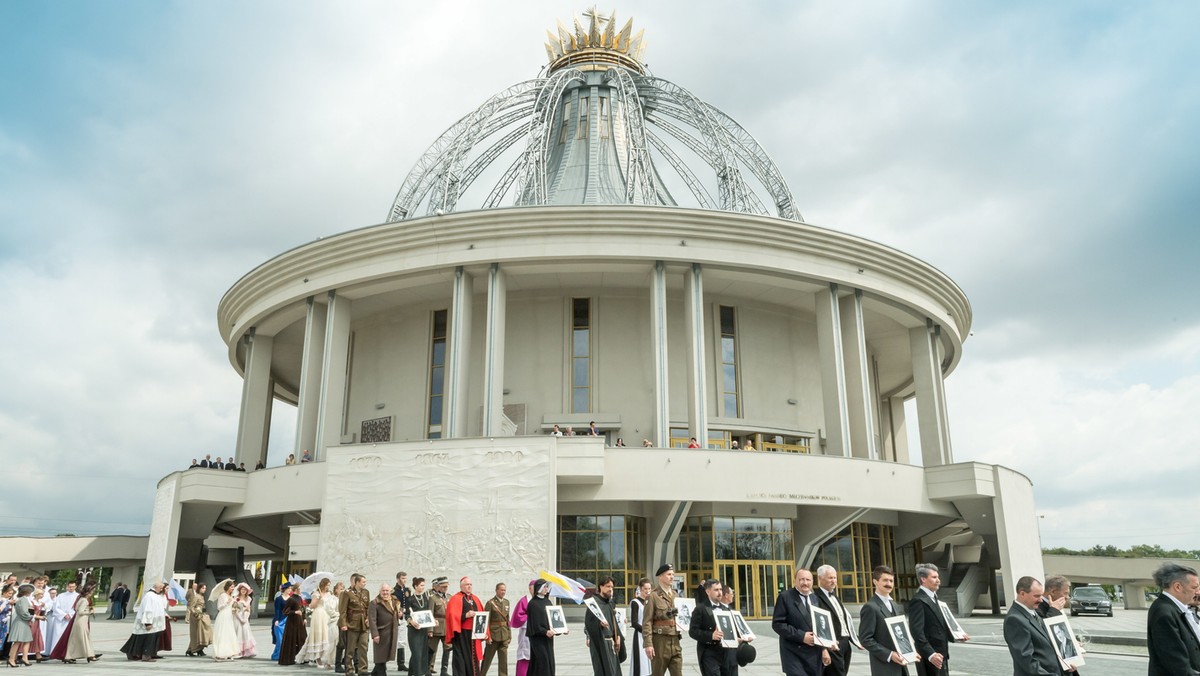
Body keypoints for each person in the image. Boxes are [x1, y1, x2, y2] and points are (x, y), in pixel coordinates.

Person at [1003, 576, 1074, 676]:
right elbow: (1026, 661)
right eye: (1036, 596)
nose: (1041, 600)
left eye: (1041, 595)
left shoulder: (1032, 613)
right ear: (1022, 593)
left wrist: (1067, 663)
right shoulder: (1015, 619)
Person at [908, 563, 966, 676]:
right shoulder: (918, 601)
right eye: (934, 577)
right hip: (930, 658)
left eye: (938, 577)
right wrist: (931, 654)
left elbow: (940, 625)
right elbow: (917, 632)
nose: (938, 580)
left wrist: (956, 636)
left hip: (940, 655)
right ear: (923, 579)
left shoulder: (934, 598)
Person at [773, 568, 831, 676]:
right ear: (795, 580)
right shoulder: (785, 597)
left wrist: (824, 649)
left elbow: (820, 626)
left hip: (814, 655)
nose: (805, 583)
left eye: (808, 580)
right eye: (801, 579)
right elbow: (777, 624)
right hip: (793, 654)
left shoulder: (815, 599)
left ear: (812, 582)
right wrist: (802, 636)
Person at [858, 566, 914, 676]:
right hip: (883, 667)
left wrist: (910, 651)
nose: (889, 583)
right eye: (885, 580)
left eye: (891, 581)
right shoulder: (870, 607)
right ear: (875, 582)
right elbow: (865, 639)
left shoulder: (896, 605)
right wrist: (889, 655)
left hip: (901, 666)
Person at [1147, 562, 1200, 676]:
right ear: (1177, 587)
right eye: (1194, 587)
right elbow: (1177, 664)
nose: (1198, 592)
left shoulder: (1176, 608)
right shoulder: (1164, 613)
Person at [813, 565, 855, 676]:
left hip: (845, 643)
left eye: (835, 578)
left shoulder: (834, 595)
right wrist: (823, 649)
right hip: (832, 644)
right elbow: (816, 625)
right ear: (820, 578)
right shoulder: (815, 598)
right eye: (830, 578)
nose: (834, 581)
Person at [641, 563, 682, 676]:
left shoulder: (675, 595)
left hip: (675, 640)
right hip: (660, 642)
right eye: (669, 574)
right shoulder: (653, 596)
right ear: (660, 576)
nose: (672, 577)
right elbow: (647, 622)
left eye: (673, 574)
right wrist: (648, 644)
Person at [445, 576, 487, 676]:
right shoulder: (455, 598)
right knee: (461, 660)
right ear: (461, 586)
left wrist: (484, 633)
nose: (469, 586)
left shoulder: (475, 598)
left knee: (474, 658)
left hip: (474, 634)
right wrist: (465, 615)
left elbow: (483, 616)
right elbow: (452, 616)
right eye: (467, 584)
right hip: (461, 634)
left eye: (470, 584)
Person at [51, 582, 99, 663]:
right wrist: (90, 612)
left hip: (77, 621)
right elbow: (80, 612)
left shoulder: (79, 598)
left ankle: (86, 655)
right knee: (82, 638)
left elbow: (76, 608)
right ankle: (88, 655)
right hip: (81, 621)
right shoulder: (84, 600)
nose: (93, 592)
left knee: (75, 639)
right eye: (92, 591)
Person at [121, 581, 168, 662]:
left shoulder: (156, 595)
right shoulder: (149, 596)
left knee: (141, 638)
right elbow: (148, 609)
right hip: (149, 622)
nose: (161, 590)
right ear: (156, 587)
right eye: (160, 588)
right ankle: (146, 656)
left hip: (155, 622)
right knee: (147, 639)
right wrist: (148, 623)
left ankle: (134, 653)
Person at [586, 577, 622, 676]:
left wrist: (618, 636)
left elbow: (613, 621)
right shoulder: (594, 602)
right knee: (603, 671)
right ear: (601, 587)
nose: (610, 589)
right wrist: (599, 623)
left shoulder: (610, 603)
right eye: (608, 586)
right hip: (600, 642)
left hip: (611, 642)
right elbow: (588, 622)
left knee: (614, 671)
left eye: (612, 587)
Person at [688, 579, 724, 676]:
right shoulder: (700, 608)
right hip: (708, 651)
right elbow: (692, 631)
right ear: (708, 592)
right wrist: (711, 635)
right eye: (716, 590)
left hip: (725, 652)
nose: (720, 592)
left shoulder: (726, 608)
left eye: (720, 589)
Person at [525, 580, 559, 676]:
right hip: (538, 638)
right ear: (538, 588)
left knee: (549, 661)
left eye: (547, 587)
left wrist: (560, 629)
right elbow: (534, 623)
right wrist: (544, 631)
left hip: (547, 638)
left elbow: (553, 619)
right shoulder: (533, 604)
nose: (546, 589)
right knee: (542, 662)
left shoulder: (547, 601)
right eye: (544, 587)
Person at [342, 573, 373, 675]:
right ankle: (349, 670)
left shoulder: (366, 592)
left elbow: (368, 607)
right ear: (357, 582)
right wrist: (343, 623)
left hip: (364, 624)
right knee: (350, 649)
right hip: (352, 623)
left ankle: (362, 670)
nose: (365, 583)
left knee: (363, 647)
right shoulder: (347, 593)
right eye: (363, 582)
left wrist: (368, 618)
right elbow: (343, 610)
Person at [301, 577, 336, 667]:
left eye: (329, 585)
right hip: (318, 614)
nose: (328, 587)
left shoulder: (329, 593)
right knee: (318, 635)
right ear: (323, 585)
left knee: (326, 635)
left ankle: (325, 657)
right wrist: (318, 599)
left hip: (326, 614)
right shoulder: (316, 593)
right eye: (327, 585)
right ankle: (317, 658)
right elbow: (312, 606)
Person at [370, 584, 402, 676]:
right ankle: (381, 673)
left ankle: (375, 673)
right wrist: (375, 634)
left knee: (385, 656)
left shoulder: (394, 600)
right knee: (380, 656)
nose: (385, 593)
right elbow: (372, 620)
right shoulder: (375, 603)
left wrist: (400, 614)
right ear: (380, 592)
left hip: (392, 632)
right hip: (381, 633)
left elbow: (399, 611)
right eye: (383, 591)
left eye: (387, 591)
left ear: (390, 591)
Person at [481, 582, 511, 676]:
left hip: (504, 635)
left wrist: (509, 635)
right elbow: (486, 621)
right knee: (487, 660)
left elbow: (507, 620)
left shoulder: (506, 602)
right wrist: (487, 636)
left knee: (503, 661)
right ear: (497, 590)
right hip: (493, 636)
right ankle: (481, 674)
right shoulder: (490, 603)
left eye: (504, 590)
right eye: (501, 590)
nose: (503, 592)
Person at [406, 577, 433, 676]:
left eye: (423, 585)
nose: (423, 587)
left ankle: (413, 673)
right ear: (416, 586)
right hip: (413, 630)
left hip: (423, 629)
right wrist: (411, 621)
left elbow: (428, 613)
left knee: (422, 652)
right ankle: (417, 673)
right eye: (421, 585)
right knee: (416, 652)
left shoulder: (426, 598)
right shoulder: (410, 599)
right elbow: (407, 614)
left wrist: (433, 622)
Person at [211, 579, 241, 660]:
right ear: (227, 587)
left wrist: (234, 605)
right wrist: (227, 602)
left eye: (233, 587)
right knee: (222, 633)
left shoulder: (231, 596)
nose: (232, 588)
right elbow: (219, 607)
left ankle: (229, 652)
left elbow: (231, 607)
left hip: (229, 616)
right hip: (223, 615)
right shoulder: (222, 595)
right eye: (231, 587)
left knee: (229, 633)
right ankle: (221, 652)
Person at [279, 582, 309, 665]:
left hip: (300, 622)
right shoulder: (291, 599)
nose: (301, 590)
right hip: (292, 622)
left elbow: (302, 609)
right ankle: (289, 658)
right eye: (300, 589)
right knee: (291, 640)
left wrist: (304, 618)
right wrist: (295, 612)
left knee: (302, 639)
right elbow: (285, 611)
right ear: (296, 589)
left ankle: (302, 657)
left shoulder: (299, 598)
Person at [46, 580, 79, 655]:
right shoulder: (61, 596)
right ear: (67, 586)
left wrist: (70, 615)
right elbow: (56, 607)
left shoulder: (78, 596)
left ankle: (68, 653)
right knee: (58, 636)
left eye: (73, 587)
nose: (71, 588)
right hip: (61, 619)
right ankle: (56, 652)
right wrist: (64, 614)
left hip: (71, 618)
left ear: (75, 587)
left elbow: (78, 607)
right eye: (70, 586)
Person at [510, 581, 535, 676]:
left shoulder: (540, 600)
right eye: (533, 588)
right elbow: (518, 617)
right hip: (526, 634)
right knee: (525, 658)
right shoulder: (524, 600)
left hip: (537, 635)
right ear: (529, 589)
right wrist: (531, 617)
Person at [628, 578, 652, 676]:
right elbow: (634, 623)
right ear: (640, 589)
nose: (647, 591)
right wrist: (646, 630)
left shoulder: (651, 601)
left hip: (650, 635)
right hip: (640, 636)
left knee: (651, 662)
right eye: (645, 589)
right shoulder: (635, 602)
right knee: (641, 662)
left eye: (649, 588)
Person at [7, 585, 35, 667]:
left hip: (23, 622)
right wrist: (32, 617)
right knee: (17, 641)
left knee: (27, 640)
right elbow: (23, 612)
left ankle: (24, 657)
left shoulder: (24, 599)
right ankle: (11, 659)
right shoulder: (23, 600)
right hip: (21, 622)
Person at [429, 577, 451, 676]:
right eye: (443, 586)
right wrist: (430, 630)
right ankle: (428, 669)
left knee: (447, 649)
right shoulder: (433, 598)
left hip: (447, 628)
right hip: (436, 627)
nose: (445, 588)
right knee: (431, 649)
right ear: (438, 587)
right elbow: (430, 614)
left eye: (446, 586)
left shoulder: (449, 597)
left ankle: (444, 670)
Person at [185, 582, 212, 657]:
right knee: (195, 634)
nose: (204, 590)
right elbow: (191, 607)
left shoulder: (201, 596)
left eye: (205, 588)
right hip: (195, 617)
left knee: (200, 633)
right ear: (199, 588)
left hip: (200, 616)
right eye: (203, 588)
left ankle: (195, 649)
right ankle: (195, 650)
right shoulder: (196, 596)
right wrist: (196, 614)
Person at [232, 583, 257, 658]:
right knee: (237, 632)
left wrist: (245, 618)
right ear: (239, 590)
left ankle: (245, 651)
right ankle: (236, 650)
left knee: (245, 633)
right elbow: (234, 607)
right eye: (242, 589)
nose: (243, 591)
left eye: (245, 589)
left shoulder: (248, 598)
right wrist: (237, 614)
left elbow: (248, 609)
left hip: (244, 616)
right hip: (237, 616)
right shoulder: (236, 598)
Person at [393, 572, 412, 673]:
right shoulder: (394, 591)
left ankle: (401, 663)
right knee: (398, 640)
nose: (404, 580)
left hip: (406, 616)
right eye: (402, 578)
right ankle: (399, 663)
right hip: (398, 617)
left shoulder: (407, 590)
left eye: (405, 578)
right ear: (398, 579)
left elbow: (409, 603)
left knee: (402, 639)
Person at [271, 582, 294, 660]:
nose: (290, 590)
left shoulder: (291, 599)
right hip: (280, 620)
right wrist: (277, 619)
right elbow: (277, 610)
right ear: (285, 589)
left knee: (286, 639)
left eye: (291, 588)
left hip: (288, 620)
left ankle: (285, 655)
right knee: (280, 640)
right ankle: (277, 655)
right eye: (289, 588)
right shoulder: (279, 599)